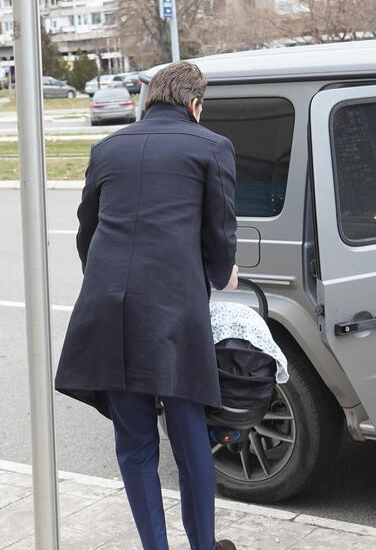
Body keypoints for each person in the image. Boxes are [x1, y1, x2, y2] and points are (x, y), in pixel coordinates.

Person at [55, 61, 239, 550]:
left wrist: (110, 282)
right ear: (194, 104)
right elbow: (219, 233)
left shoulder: (107, 148)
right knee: (189, 437)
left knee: (134, 443)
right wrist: (223, 271)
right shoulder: (212, 147)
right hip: (174, 313)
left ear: (150, 99)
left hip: (108, 309)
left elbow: (87, 233)